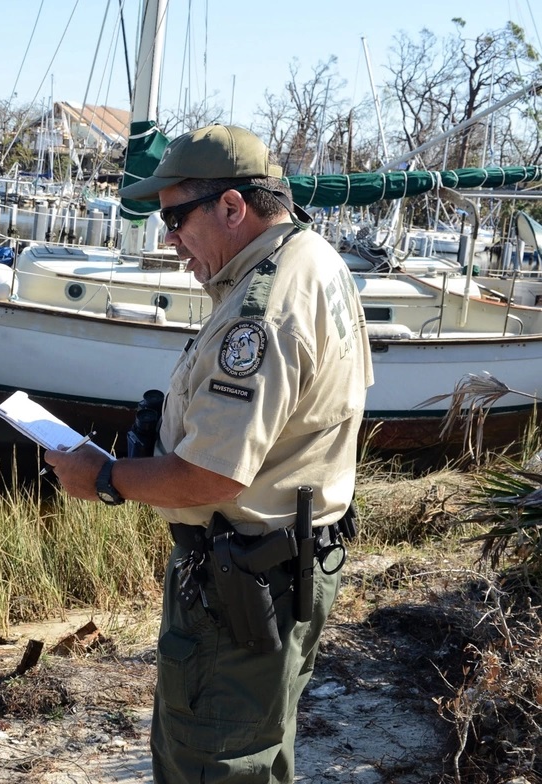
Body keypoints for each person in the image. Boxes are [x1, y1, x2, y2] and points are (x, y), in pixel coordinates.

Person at [44, 125, 374, 783]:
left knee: (213, 763)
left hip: (244, 586)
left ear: (231, 207)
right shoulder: (313, 259)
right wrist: (164, 436)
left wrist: (104, 476)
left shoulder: (262, 308)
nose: (168, 238)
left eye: (174, 217)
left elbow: (210, 476)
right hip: (285, 563)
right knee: (255, 750)